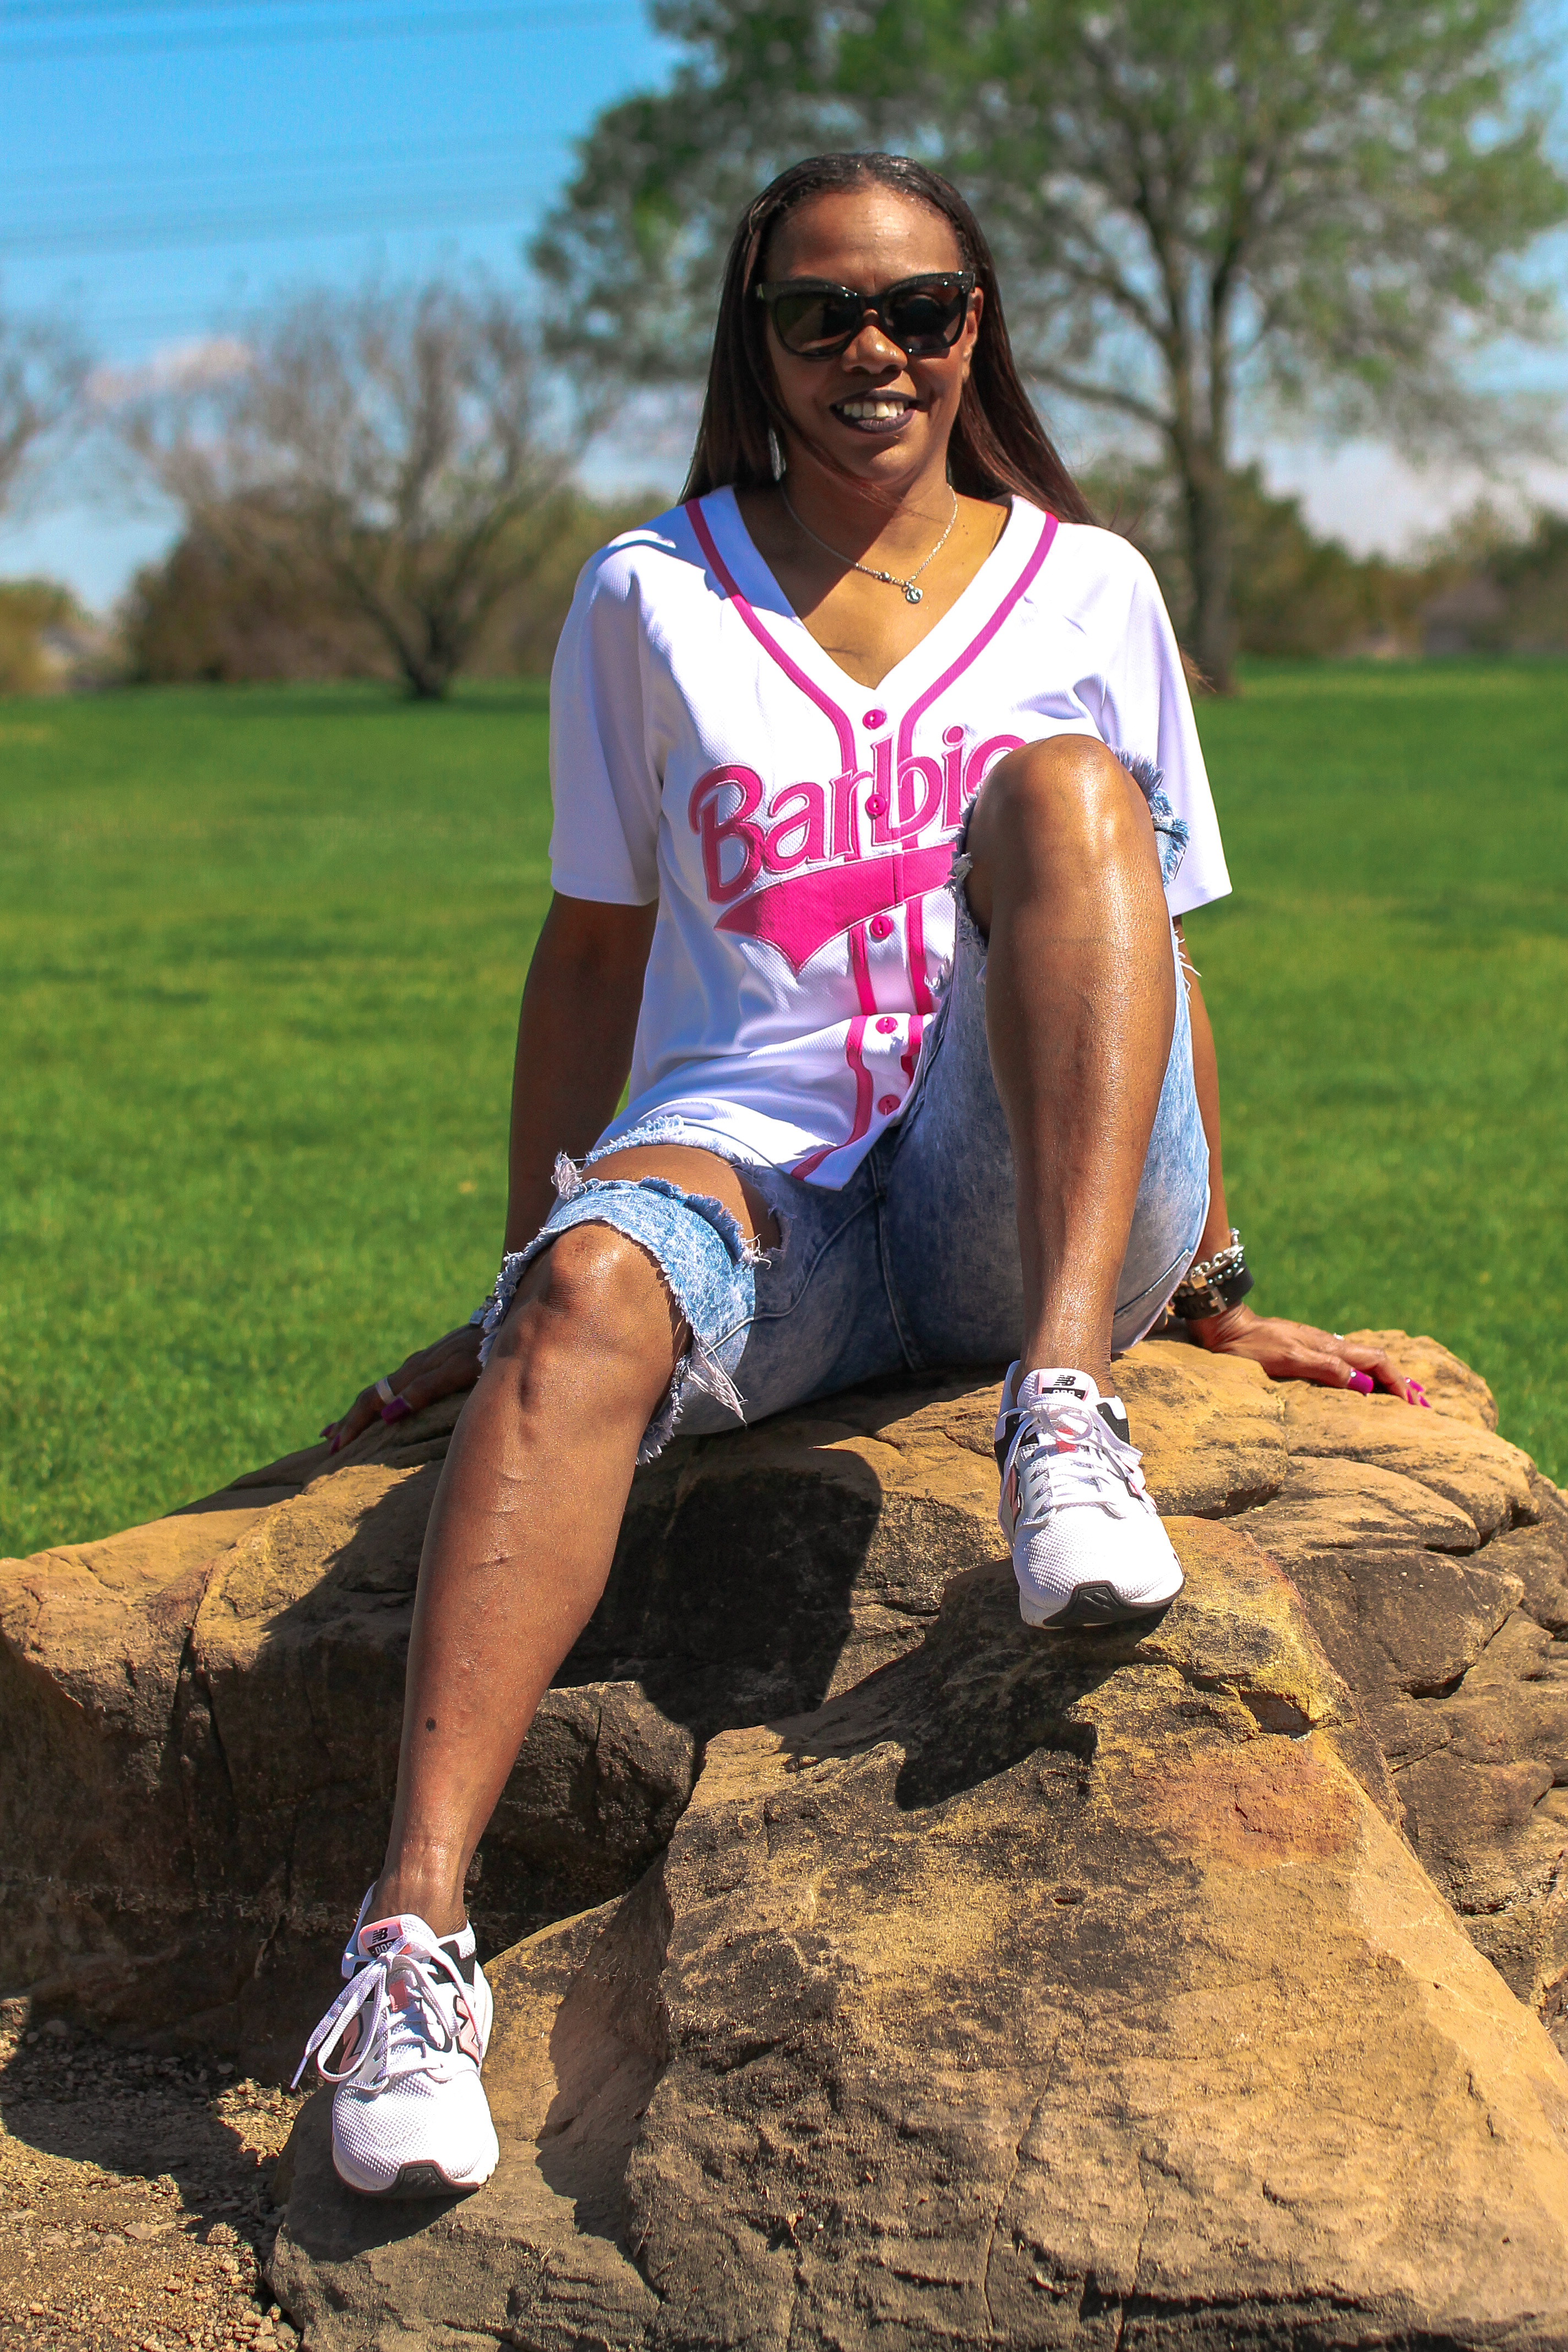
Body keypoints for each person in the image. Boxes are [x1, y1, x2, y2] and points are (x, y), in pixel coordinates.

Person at [296, 151, 1427, 2199]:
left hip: (1019, 1199)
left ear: (977, 328)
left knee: (1071, 798)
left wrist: (1215, 1284)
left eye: (920, 308)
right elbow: (594, 953)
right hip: (769, 1195)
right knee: (589, 1292)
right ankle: (410, 1947)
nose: (874, 350)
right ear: (759, 342)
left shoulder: (1092, 584)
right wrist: (526, 1285)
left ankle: (1061, 1410)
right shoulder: (649, 594)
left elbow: (1157, 960)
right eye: (821, 313)